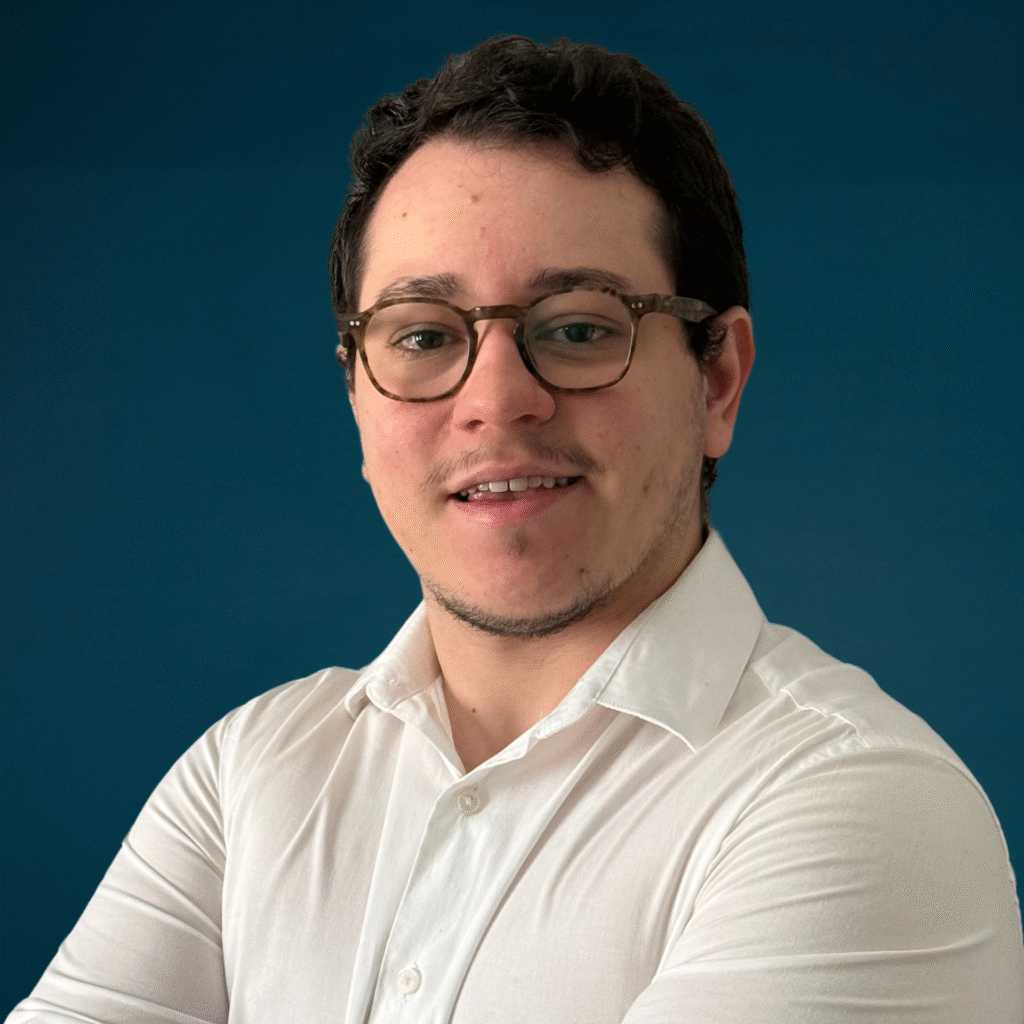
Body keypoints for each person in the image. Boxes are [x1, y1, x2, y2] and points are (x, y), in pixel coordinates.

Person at [8, 34, 1022, 1024]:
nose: (495, 401)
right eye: (421, 335)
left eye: (578, 327)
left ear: (716, 380)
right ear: (357, 397)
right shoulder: (249, 774)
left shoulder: (861, 801)